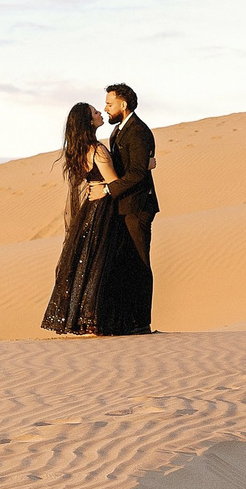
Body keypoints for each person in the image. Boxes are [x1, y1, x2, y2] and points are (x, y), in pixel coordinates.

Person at [41, 100, 153, 336]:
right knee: (106, 264)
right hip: (105, 208)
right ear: (88, 121)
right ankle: (100, 320)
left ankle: (85, 318)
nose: (100, 112)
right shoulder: (98, 150)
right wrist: (145, 166)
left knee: (89, 264)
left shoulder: (78, 151)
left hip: (89, 210)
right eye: (94, 112)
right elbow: (113, 181)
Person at [103, 83, 158, 267]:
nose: (106, 109)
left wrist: (107, 190)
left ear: (123, 106)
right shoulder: (120, 130)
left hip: (137, 206)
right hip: (124, 206)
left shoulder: (137, 131)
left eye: (110, 104)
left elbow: (137, 173)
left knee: (139, 265)